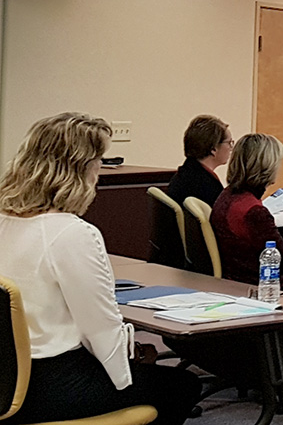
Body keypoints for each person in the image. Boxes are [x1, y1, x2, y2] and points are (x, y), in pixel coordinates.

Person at [0, 112, 200, 424]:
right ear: (80, 168)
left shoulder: (4, 221)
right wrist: (128, 367)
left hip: (6, 381)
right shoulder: (72, 233)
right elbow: (100, 329)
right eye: (100, 160)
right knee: (181, 385)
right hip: (50, 384)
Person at [210, 134, 283, 293]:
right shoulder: (254, 211)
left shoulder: (227, 196)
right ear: (267, 167)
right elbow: (282, 261)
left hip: (237, 275)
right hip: (264, 283)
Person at [167, 115, 233, 208]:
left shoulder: (184, 173)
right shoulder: (207, 186)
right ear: (213, 149)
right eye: (229, 143)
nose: (231, 148)